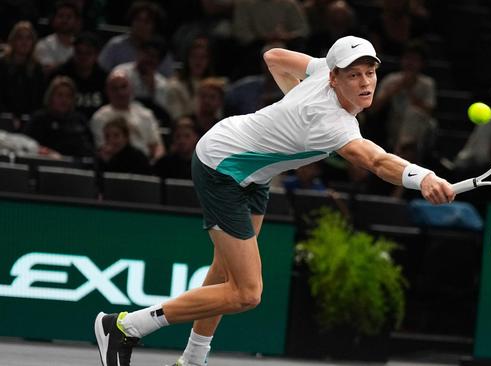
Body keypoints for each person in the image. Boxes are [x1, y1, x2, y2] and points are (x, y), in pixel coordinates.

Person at [93, 36, 455, 366]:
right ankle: (125, 326)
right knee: (247, 293)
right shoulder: (332, 122)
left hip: (253, 172)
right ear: (334, 78)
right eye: (354, 75)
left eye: (370, 73)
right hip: (222, 165)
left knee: (224, 272)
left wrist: (291, 105)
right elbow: (375, 161)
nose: (364, 83)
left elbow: (273, 57)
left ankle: (192, 360)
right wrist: (423, 177)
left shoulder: (318, 71)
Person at [89, 70, 165, 160]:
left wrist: (155, 163)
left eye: (124, 87)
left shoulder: (146, 114)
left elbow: (157, 147)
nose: (120, 93)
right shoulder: (99, 118)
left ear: (131, 88)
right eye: (115, 88)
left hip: (146, 165)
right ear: (107, 91)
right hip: (116, 165)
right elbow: (103, 150)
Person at [24, 75, 94, 157]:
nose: (64, 100)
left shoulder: (79, 120)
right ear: (51, 97)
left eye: (68, 96)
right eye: (59, 95)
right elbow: (27, 146)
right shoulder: (39, 119)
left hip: (76, 167)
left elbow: (90, 149)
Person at [51, 31, 107, 119]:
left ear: (96, 55)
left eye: (88, 53)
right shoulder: (59, 75)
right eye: (79, 52)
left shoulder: (104, 78)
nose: (83, 57)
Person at [0, 21, 46, 127]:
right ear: (12, 40)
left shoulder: (37, 68)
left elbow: (40, 100)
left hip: (30, 119)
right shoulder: (2, 65)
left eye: (28, 38)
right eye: (20, 38)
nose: (24, 42)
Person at [33, 0, 81, 75]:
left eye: (69, 17)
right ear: (53, 20)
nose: (64, 20)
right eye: (61, 16)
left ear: (76, 21)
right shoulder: (44, 44)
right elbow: (46, 71)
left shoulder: (81, 46)